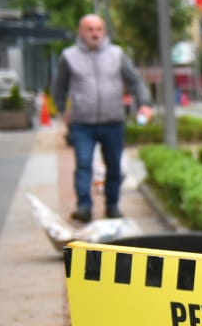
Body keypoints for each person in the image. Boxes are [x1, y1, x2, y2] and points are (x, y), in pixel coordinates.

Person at [52, 14, 151, 223]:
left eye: (98, 29)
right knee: (84, 164)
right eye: (90, 29)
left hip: (113, 121)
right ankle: (84, 207)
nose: (95, 33)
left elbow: (135, 81)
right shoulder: (69, 56)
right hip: (82, 124)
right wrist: (62, 111)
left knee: (114, 166)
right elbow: (59, 86)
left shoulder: (117, 54)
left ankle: (112, 205)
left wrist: (144, 104)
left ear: (104, 31)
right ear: (81, 32)